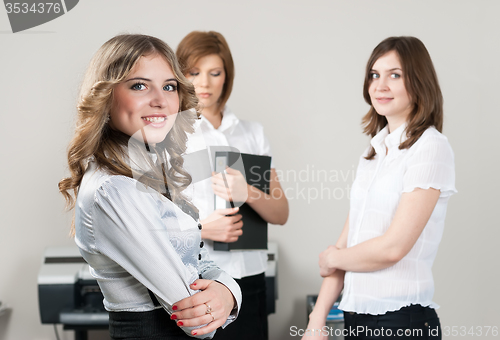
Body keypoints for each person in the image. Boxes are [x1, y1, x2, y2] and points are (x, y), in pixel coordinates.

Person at [58, 34, 242, 340]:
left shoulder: (148, 174)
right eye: (139, 85)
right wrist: (228, 293)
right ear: (106, 95)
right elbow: (193, 313)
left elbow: (198, 260)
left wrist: (228, 293)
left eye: (169, 86)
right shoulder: (112, 190)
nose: (160, 100)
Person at [304, 36, 456, 340]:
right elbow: (347, 243)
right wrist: (316, 320)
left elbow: (392, 248)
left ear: (418, 81)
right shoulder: (372, 153)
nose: (380, 85)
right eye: (374, 75)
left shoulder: (431, 147)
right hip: (356, 317)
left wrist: (331, 259)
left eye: (394, 75)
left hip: (403, 321)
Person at [176, 31, 289, 340]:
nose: (205, 83)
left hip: (251, 279)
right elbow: (150, 221)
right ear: (180, 75)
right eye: (194, 72)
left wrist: (248, 192)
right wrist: (201, 229)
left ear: (227, 76)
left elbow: (280, 213)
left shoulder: (251, 134)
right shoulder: (170, 135)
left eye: (215, 72)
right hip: (199, 282)